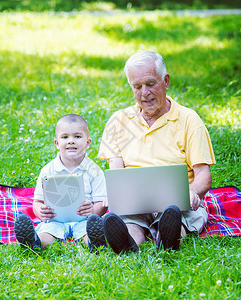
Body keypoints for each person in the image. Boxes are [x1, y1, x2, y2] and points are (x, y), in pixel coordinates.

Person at [87, 50, 216, 254]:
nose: (144, 93)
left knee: (175, 215)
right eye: (137, 87)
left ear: (166, 81)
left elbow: (203, 175)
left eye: (150, 84)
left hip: (177, 202)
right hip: (135, 201)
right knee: (129, 220)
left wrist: (192, 192)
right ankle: (128, 244)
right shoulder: (119, 121)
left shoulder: (189, 120)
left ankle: (168, 238)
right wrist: (116, 196)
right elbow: (117, 173)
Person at [14, 114, 107, 251]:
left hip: (84, 220)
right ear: (57, 143)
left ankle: (95, 243)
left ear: (88, 142)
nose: (71, 141)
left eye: (77, 136)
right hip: (55, 219)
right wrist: (40, 212)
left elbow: (102, 203)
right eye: (65, 137)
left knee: (88, 231)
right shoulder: (48, 170)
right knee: (47, 233)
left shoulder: (94, 171)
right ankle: (33, 242)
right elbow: (37, 202)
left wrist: (93, 211)